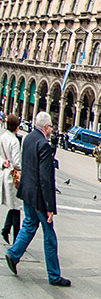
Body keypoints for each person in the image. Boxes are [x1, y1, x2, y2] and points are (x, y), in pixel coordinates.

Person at [5, 111, 70, 286]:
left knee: (29, 224)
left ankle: (13, 254)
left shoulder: (28, 138)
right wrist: (49, 207)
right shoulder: (43, 145)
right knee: (49, 236)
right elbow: (45, 179)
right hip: (39, 198)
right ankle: (54, 275)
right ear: (46, 127)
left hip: (27, 192)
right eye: (51, 127)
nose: (51, 130)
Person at [1, 115, 22, 245]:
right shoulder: (14, 141)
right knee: (16, 207)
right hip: (13, 177)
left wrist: (3, 162)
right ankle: (16, 240)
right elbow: (17, 162)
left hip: (5, 174)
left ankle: (6, 229)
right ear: (16, 127)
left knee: (14, 206)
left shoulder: (2, 137)